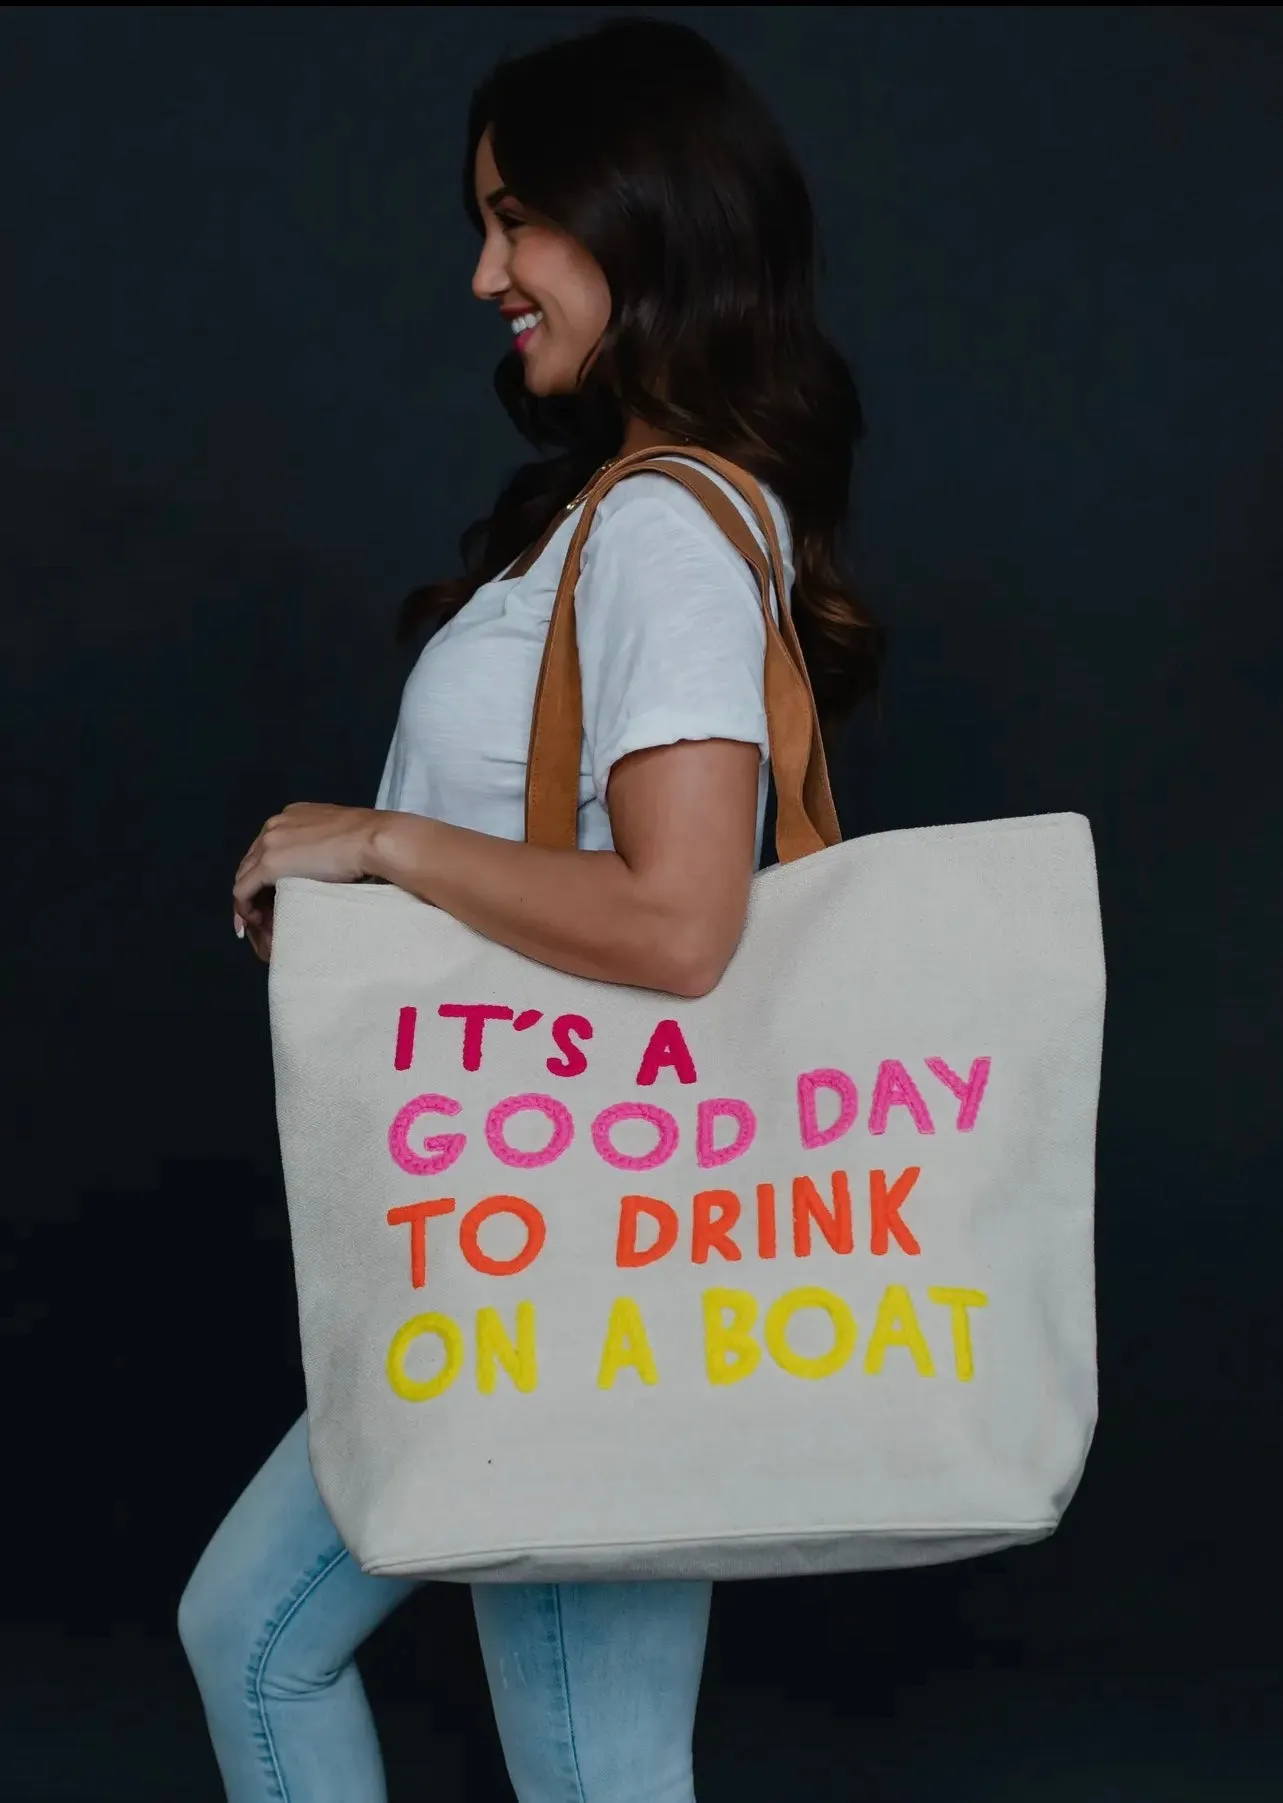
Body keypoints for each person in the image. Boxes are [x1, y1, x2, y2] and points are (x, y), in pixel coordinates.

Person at [181, 16, 883, 1802]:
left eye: (518, 220)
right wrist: (373, 901)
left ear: (641, 218)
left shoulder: (658, 529)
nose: (483, 271)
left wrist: (387, 847)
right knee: (550, 1741)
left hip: (580, 1241)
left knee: (482, 1720)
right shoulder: (625, 515)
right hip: (546, 1239)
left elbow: (677, 923)